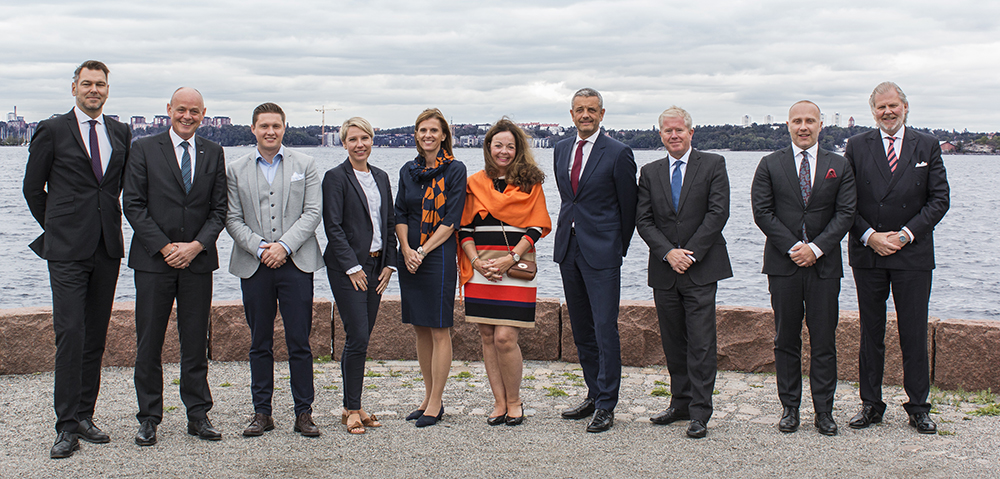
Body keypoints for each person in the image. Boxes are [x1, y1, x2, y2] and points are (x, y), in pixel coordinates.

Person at [23, 60, 132, 459]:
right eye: (86, 84)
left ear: (107, 90)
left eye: (100, 84)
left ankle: (85, 415)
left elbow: (120, 186)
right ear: (74, 89)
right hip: (66, 250)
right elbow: (33, 189)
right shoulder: (52, 130)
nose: (94, 90)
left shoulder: (120, 132)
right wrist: (59, 226)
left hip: (107, 247)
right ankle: (65, 426)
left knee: (95, 336)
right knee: (70, 334)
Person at [123, 87, 227, 446]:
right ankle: (149, 417)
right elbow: (133, 205)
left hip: (197, 262)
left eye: (194, 111)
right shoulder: (144, 148)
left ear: (203, 114)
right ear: (169, 110)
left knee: (195, 342)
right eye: (181, 109)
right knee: (149, 342)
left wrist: (196, 246)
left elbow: (219, 210)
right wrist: (167, 247)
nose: (187, 116)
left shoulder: (213, 152)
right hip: (154, 262)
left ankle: (198, 415)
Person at [844, 82, 950, 434]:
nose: (887, 112)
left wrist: (905, 234)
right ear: (872, 110)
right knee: (870, 332)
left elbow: (939, 200)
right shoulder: (857, 146)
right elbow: (846, 202)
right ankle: (871, 404)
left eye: (893, 106)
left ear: (906, 107)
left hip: (913, 253)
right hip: (869, 251)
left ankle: (919, 407)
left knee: (914, 332)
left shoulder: (928, 145)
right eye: (880, 107)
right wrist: (870, 236)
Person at [751, 100, 856, 436]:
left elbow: (846, 213)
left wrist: (817, 248)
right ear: (788, 125)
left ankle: (824, 411)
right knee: (786, 338)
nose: (804, 126)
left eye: (810, 120)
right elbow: (762, 212)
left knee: (824, 340)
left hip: (824, 267)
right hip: (784, 265)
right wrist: (795, 247)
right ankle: (790, 408)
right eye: (797, 121)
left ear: (820, 125)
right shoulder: (769, 164)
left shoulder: (839, 165)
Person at [225, 102, 324, 438]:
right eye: (263, 126)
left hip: (296, 262)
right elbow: (232, 218)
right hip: (255, 264)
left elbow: (312, 213)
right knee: (259, 341)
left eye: (276, 126)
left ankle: (303, 412)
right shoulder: (235, 169)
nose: (270, 131)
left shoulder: (305, 164)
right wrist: (260, 247)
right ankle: (262, 412)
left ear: (284, 128)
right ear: (253, 129)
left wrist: (283, 246)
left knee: (300, 340)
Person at [636, 106, 731, 439]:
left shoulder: (713, 164)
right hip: (665, 270)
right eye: (667, 131)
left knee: (702, 343)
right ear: (659, 134)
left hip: (701, 268)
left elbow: (718, 213)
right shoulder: (650, 172)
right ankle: (680, 403)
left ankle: (701, 412)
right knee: (673, 341)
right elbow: (643, 220)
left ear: (691, 132)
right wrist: (667, 253)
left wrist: (689, 254)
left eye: (679, 130)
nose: (673, 135)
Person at [553, 88, 638, 433]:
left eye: (591, 110)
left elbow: (628, 207)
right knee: (582, 329)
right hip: (568, 249)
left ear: (602, 114)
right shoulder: (560, 149)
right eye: (579, 110)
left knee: (605, 328)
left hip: (602, 251)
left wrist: (616, 247)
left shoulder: (619, 153)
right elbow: (568, 198)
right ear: (571, 114)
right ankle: (593, 392)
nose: (585, 115)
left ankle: (607, 404)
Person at [458, 119, 551, 427]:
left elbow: (537, 226)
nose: (504, 151)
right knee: (487, 335)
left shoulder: (530, 183)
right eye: (498, 145)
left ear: (518, 149)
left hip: (515, 266)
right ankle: (498, 402)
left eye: (510, 146)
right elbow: (464, 228)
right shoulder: (474, 183)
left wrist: (511, 257)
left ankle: (514, 401)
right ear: (488, 147)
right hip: (482, 267)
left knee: (505, 337)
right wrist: (475, 262)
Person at [322, 117, 397, 434]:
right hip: (347, 268)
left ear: (372, 140)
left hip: (377, 266)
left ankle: (353, 404)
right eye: (353, 139)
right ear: (344, 144)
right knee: (358, 336)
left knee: (361, 338)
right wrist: (352, 267)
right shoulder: (335, 178)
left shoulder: (380, 177)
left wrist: (390, 266)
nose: (359, 144)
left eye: (365, 137)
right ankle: (352, 408)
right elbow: (333, 226)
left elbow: (390, 223)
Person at [395, 108, 467, 428]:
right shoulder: (407, 171)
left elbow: (452, 220)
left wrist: (422, 250)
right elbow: (399, 214)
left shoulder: (454, 170)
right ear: (416, 135)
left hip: (436, 256)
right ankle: (426, 396)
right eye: (423, 130)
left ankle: (437, 402)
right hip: (409, 256)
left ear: (443, 135)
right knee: (420, 327)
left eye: (434, 131)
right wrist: (407, 250)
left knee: (439, 329)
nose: (428, 135)